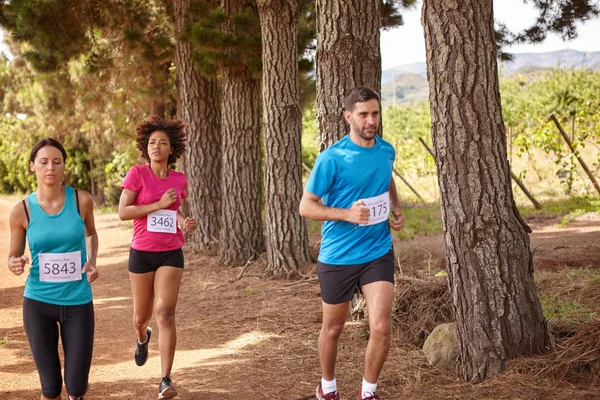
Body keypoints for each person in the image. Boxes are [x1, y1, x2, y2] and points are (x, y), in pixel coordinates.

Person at [299, 87, 405, 400]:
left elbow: (386, 179)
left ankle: (368, 392)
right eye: (363, 114)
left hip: (377, 251)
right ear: (348, 117)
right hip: (339, 256)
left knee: (382, 327)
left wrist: (395, 208)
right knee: (333, 329)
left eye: (375, 113)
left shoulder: (386, 151)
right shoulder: (332, 158)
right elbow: (307, 206)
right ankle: (327, 387)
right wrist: (346, 213)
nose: (371, 120)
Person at [8, 138, 99, 400]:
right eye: (44, 162)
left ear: (63, 167)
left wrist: (91, 261)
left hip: (78, 301)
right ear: (32, 166)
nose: (51, 167)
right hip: (38, 303)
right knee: (50, 387)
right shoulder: (22, 210)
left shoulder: (82, 200)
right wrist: (14, 263)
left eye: (57, 162)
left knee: (77, 386)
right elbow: (13, 255)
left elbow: (92, 234)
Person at [118, 115, 197, 400]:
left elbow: (172, 212)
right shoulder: (136, 174)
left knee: (165, 313)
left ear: (171, 148)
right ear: (145, 147)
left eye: (162, 142)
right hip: (141, 253)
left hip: (170, 252)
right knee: (142, 316)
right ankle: (142, 337)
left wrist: (182, 222)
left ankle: (165, 378)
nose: (157, 146)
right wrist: (158, 204)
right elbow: (124, 212)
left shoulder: (179, 179)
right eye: (152, 142)